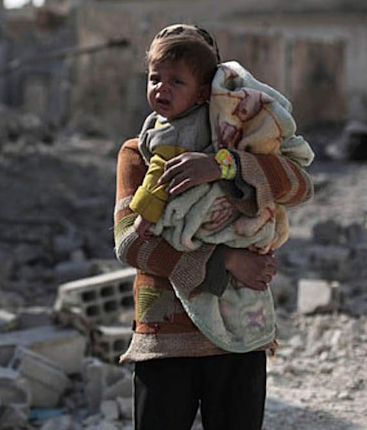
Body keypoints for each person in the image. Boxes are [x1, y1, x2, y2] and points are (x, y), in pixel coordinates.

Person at [113, 24, 315, 430]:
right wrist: (225, 261)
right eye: (155, 77)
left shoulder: (242, 146)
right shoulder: (139, 152)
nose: (162, 88)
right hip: (165, 339)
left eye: (178, 79)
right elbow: (130, 242)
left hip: (240, 334)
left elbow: (300, 186)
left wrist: (224, 167)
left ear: (208, 89)